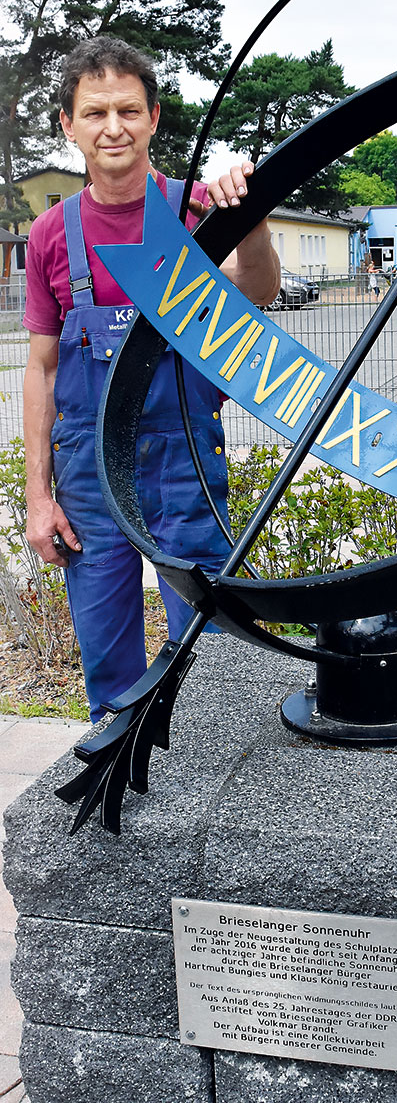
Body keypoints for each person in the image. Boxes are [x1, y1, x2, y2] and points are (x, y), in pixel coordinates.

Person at [22, 37, 281, 722]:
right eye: (96, 112)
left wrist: (246, 221)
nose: (114, 127)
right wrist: (38, 497)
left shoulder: (197, 206)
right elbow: (42, 368)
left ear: (154, 118)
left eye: (129, 111)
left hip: (183, 457)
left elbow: (257, 291)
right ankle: (119, 756)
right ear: (68, 124)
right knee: (105, 637)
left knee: (208, 629)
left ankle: (216, 759)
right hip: (88, 468)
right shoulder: (51, 234)